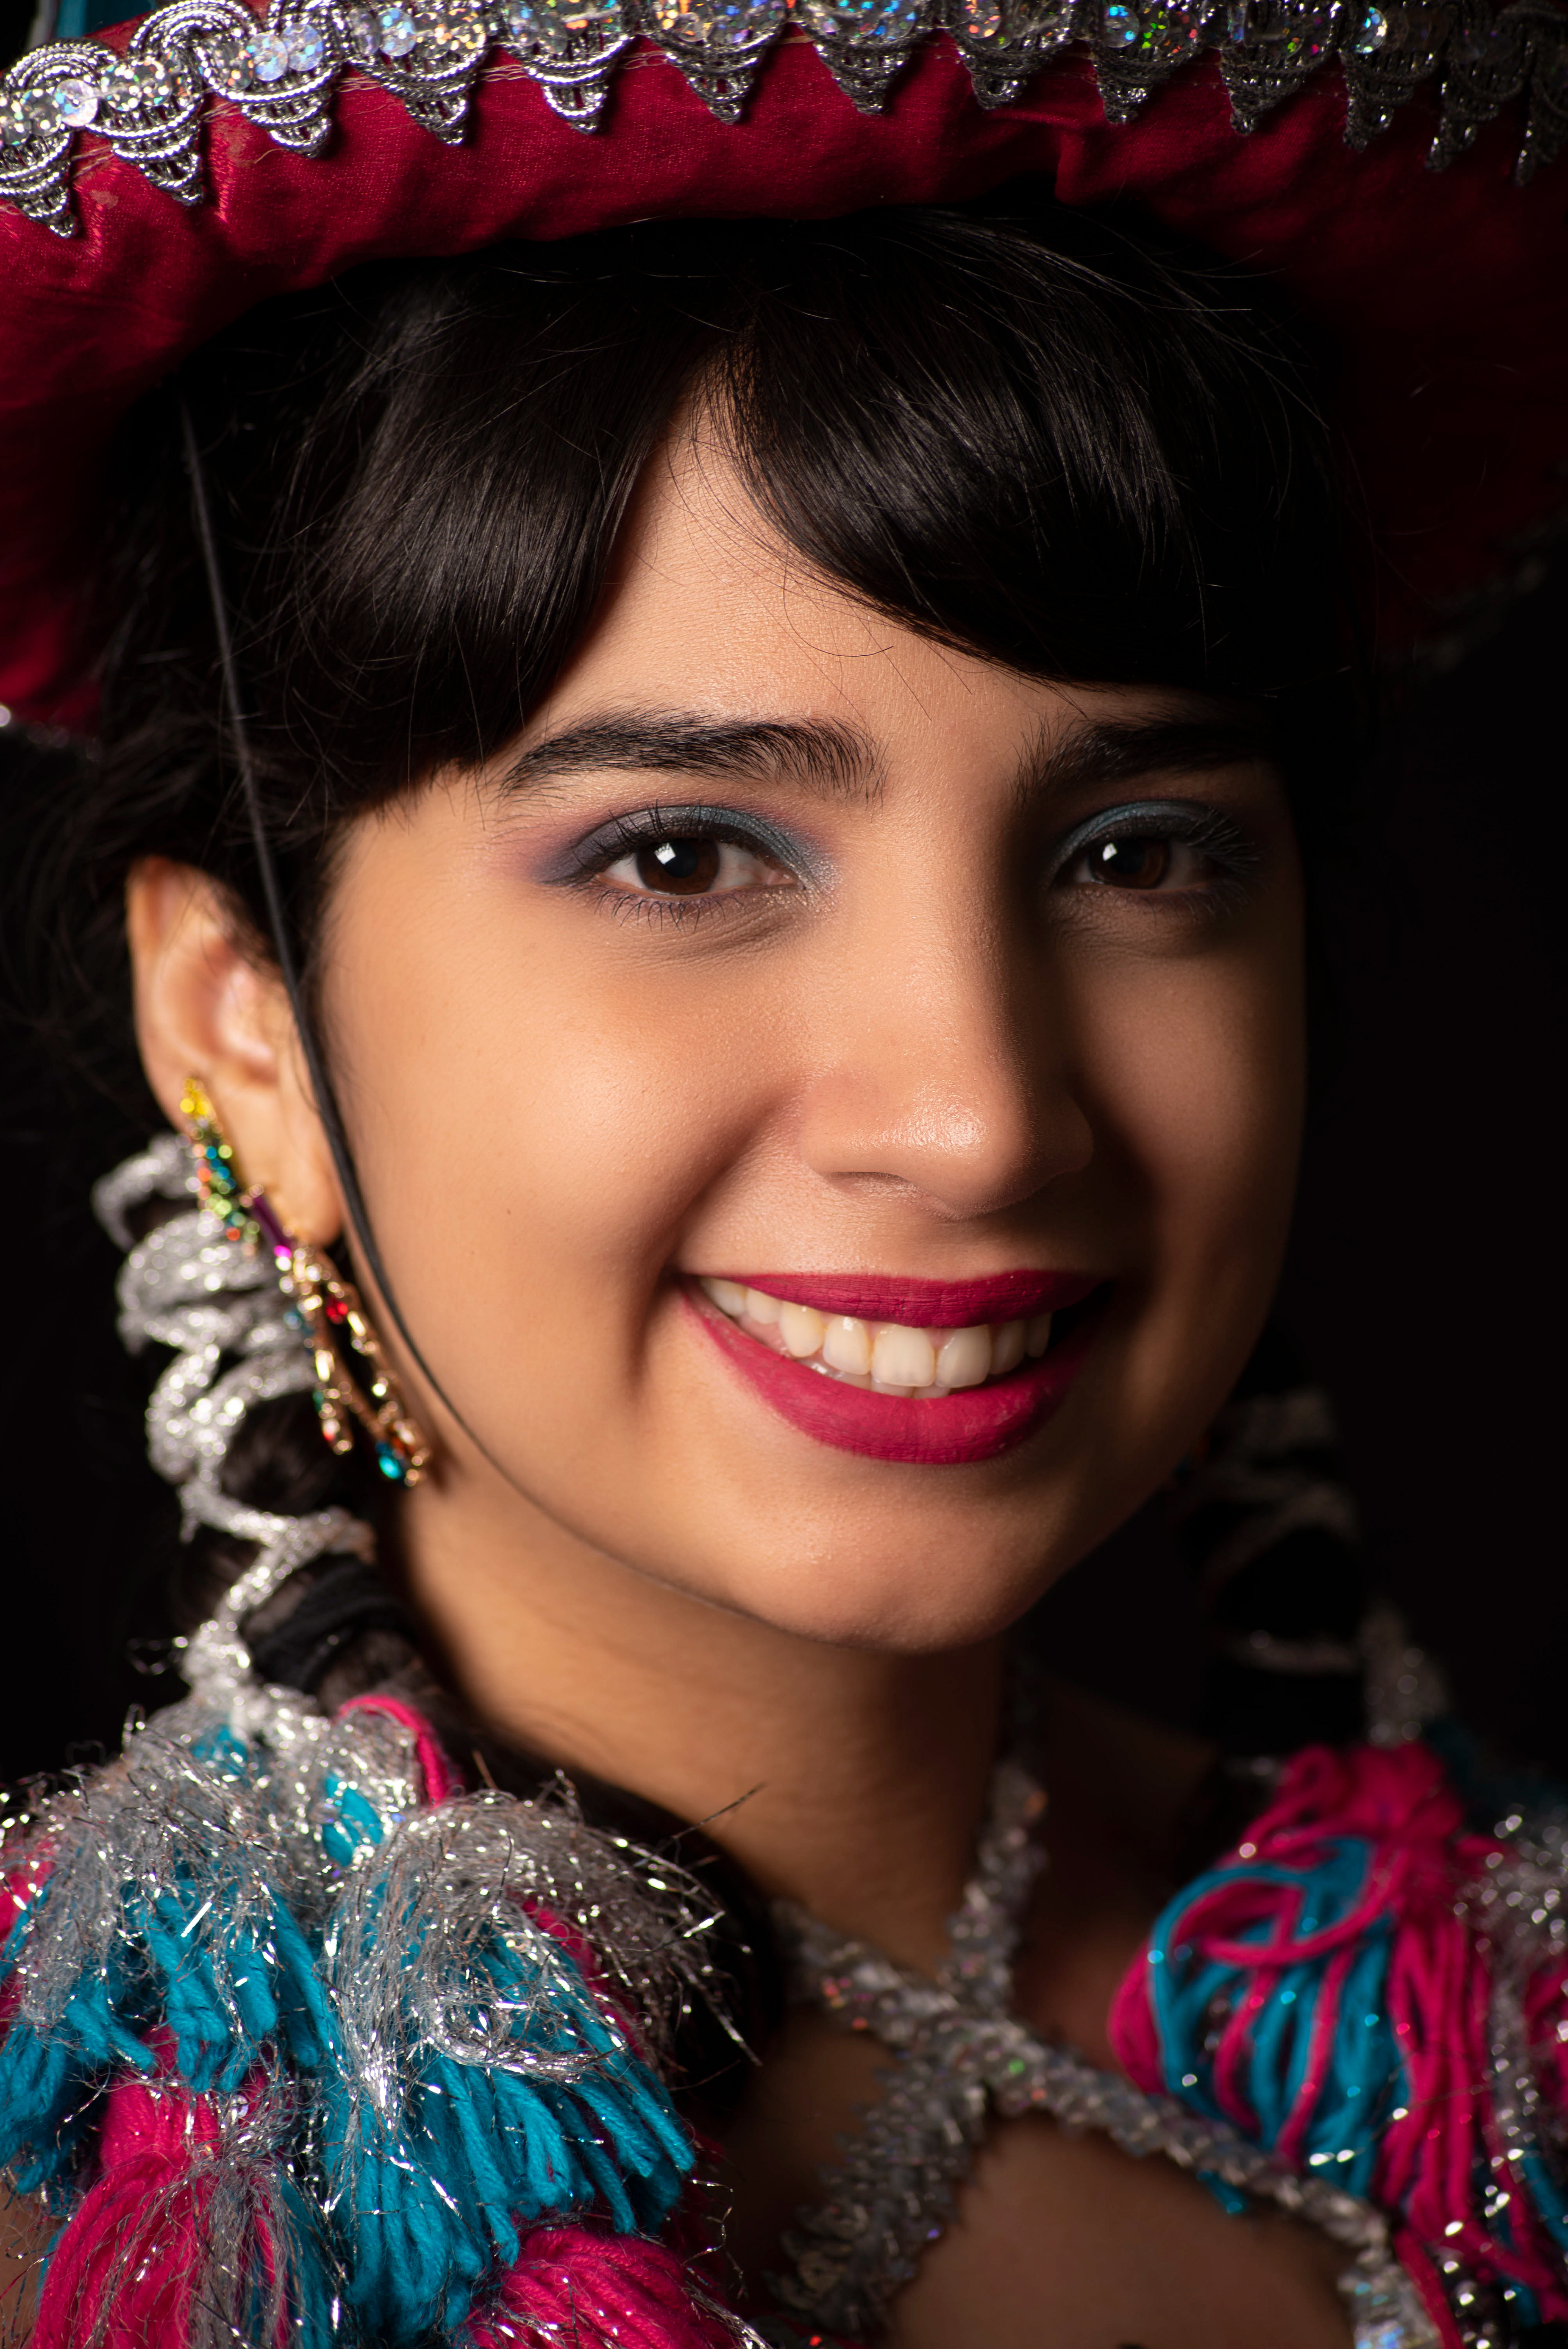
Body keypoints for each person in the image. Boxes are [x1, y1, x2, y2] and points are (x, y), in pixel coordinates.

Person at [0, 6, 1564, 2346]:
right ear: (246, 1018)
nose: (983, 1113)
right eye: (681, 851)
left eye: (1135, 850)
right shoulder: (81, 2224)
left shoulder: (1516, 2063)